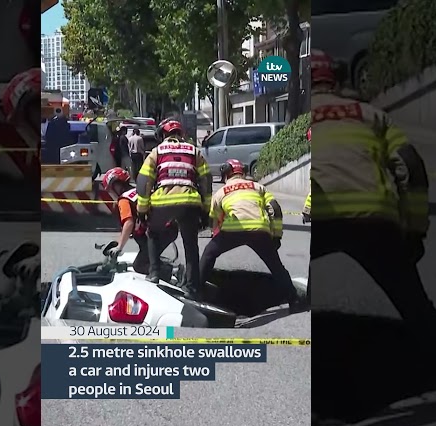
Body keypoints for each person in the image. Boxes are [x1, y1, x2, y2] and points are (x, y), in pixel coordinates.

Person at [310, 48, 436, 412]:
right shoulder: (370, 114)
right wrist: (414, 231)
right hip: (374, 216)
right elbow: (411, 166)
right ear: (335, 81)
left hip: (318, 217)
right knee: (416, 305)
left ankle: (312, 399)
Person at [199, 159, 301, 310]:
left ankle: (196, 291)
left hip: (233, 230)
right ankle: (294, 300)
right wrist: (276, 236)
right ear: (243, 172)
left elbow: (214, 219)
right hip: (259, 230)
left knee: (209, 254)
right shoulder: (258, 187)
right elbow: (275, 208)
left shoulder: (221, 191)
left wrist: (216, 239)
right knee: (276, 266)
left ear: (226, 174)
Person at [136, 118, 212, 299]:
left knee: (153, 232)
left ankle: (154, 273)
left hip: (163, 202)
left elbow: (144, 181)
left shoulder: (157, 151)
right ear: (181, 134)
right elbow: (206, 180)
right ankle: (192, 288)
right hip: (189, 202)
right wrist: (206, 209)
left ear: (163, 135)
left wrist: (142, 208)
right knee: (190, 244)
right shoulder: (194, 151)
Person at [101, 167, 181, 282]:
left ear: (115, 186)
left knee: (140, 265)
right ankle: (165, 267)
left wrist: (119, 247)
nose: (110, 193)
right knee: (143, 246)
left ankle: (176, 272)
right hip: (168, 228)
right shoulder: (139, 191)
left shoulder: (124, 200)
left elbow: (128, 223)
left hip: (159, 233)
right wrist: (118, 242)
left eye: (110, 190)